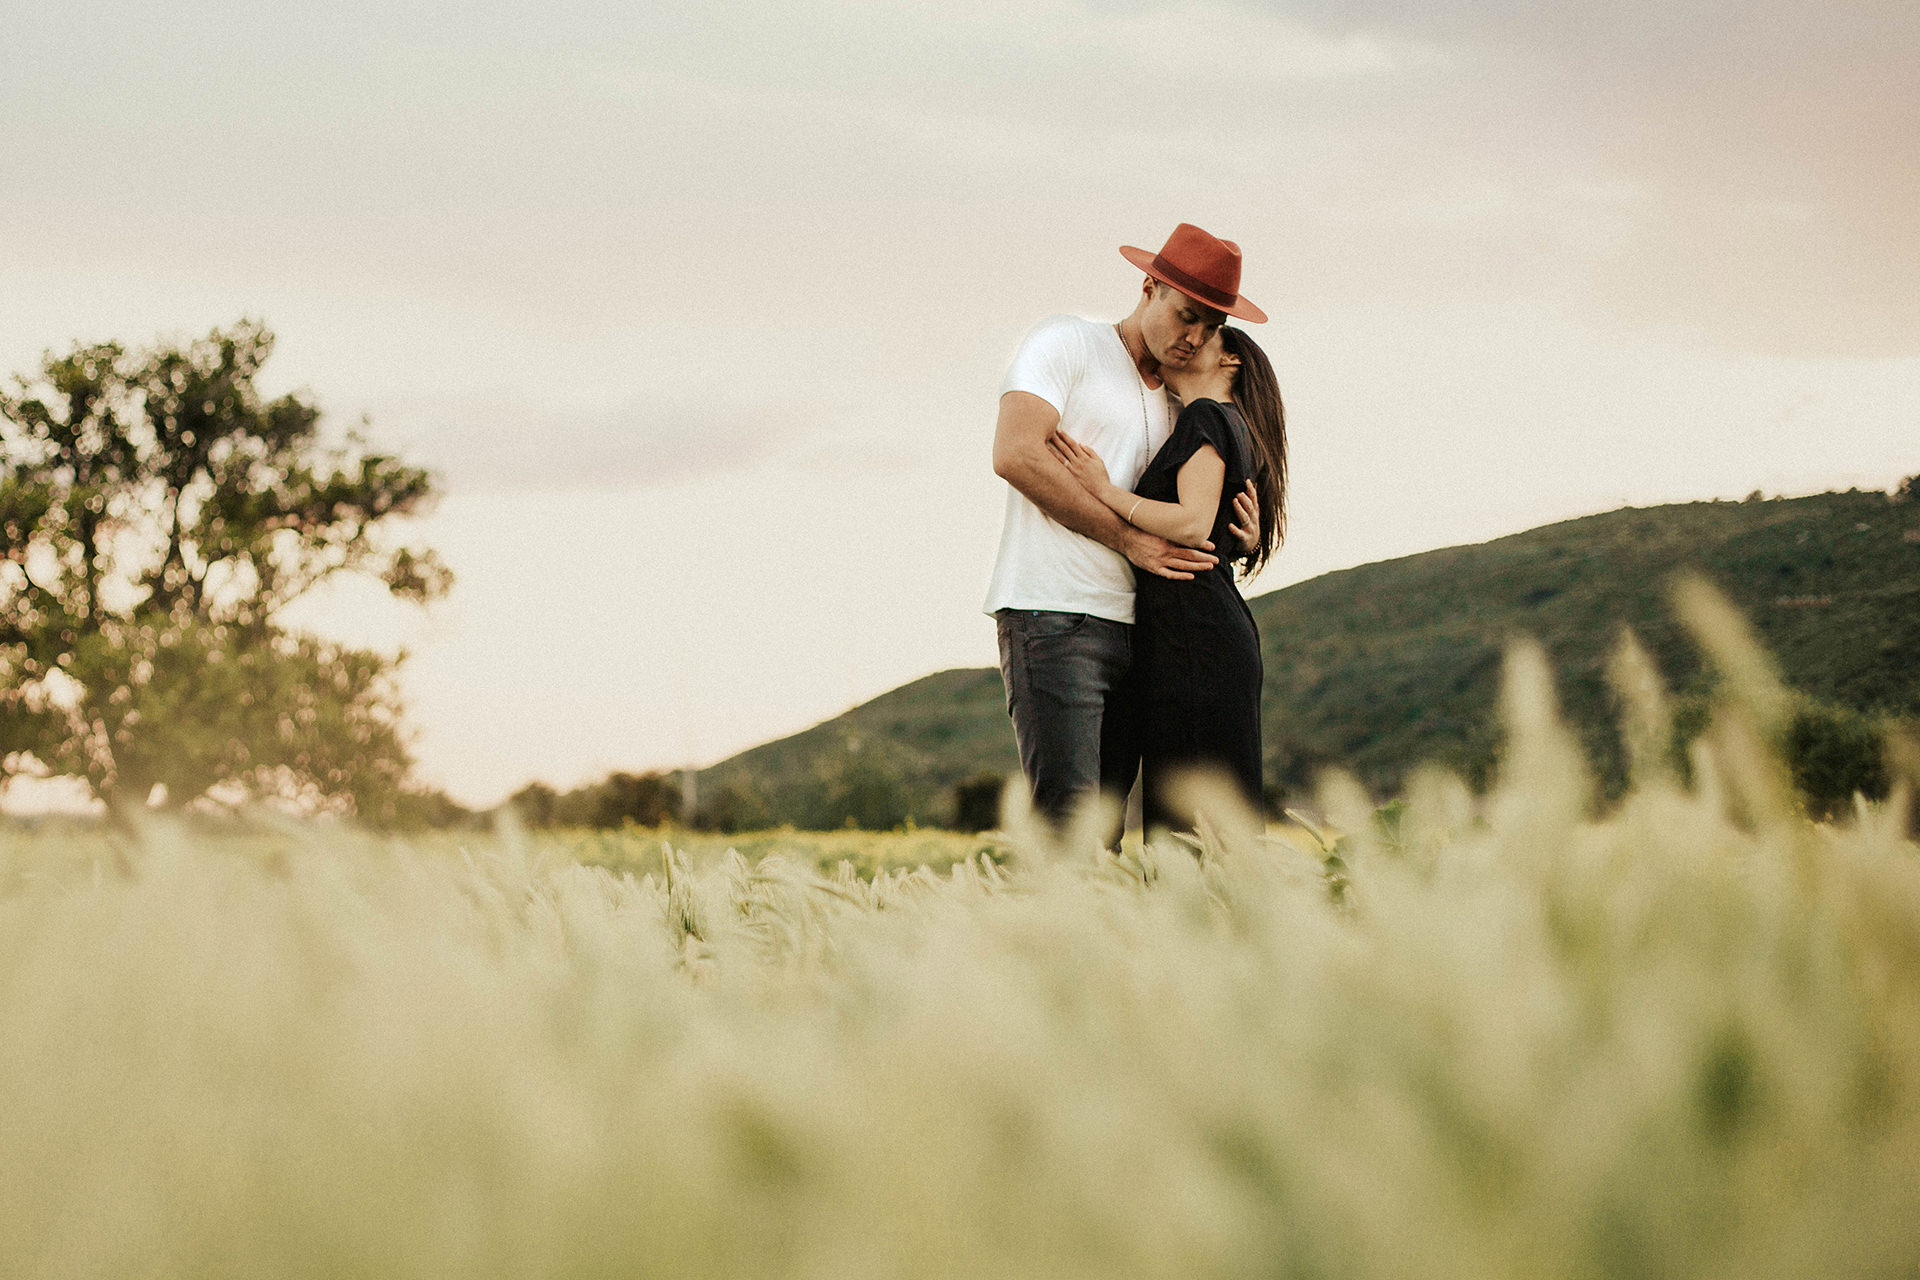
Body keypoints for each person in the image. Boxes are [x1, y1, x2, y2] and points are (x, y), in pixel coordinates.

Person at [985, 223, 1265, 834]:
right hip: (1055, 617)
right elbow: (1016, 454)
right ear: (1149, 286)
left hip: (1149, 637)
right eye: (1186, 316)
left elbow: (1189, 511)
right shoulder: (1067, 343)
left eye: (1210, 328)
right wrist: (1129, 540)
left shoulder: (1184, 403)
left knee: (1112, 839)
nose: (1194, 338)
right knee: (1071, 833)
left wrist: (1237, 539)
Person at [1049, 323, 1286, 833]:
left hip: (1196, 639)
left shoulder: (1206, 415)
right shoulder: (1225, 423)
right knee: (1204, 817)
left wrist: (1104, 490)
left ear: (1232, 361)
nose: (1190, 341)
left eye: (1208, 337)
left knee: (1191, 817)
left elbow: (1192, 522)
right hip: (1197, 635)